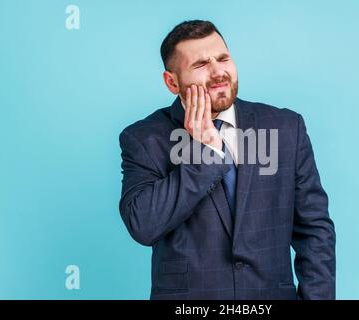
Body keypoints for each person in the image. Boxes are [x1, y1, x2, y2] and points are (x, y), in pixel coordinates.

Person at [118, 20, 336, 300]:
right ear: (172, 82)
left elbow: (315, 231)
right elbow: (143, 225)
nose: (218, 72)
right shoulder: (144, 138)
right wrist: (205, 152)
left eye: (223, 58)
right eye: (200, 65)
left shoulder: (285, 127)